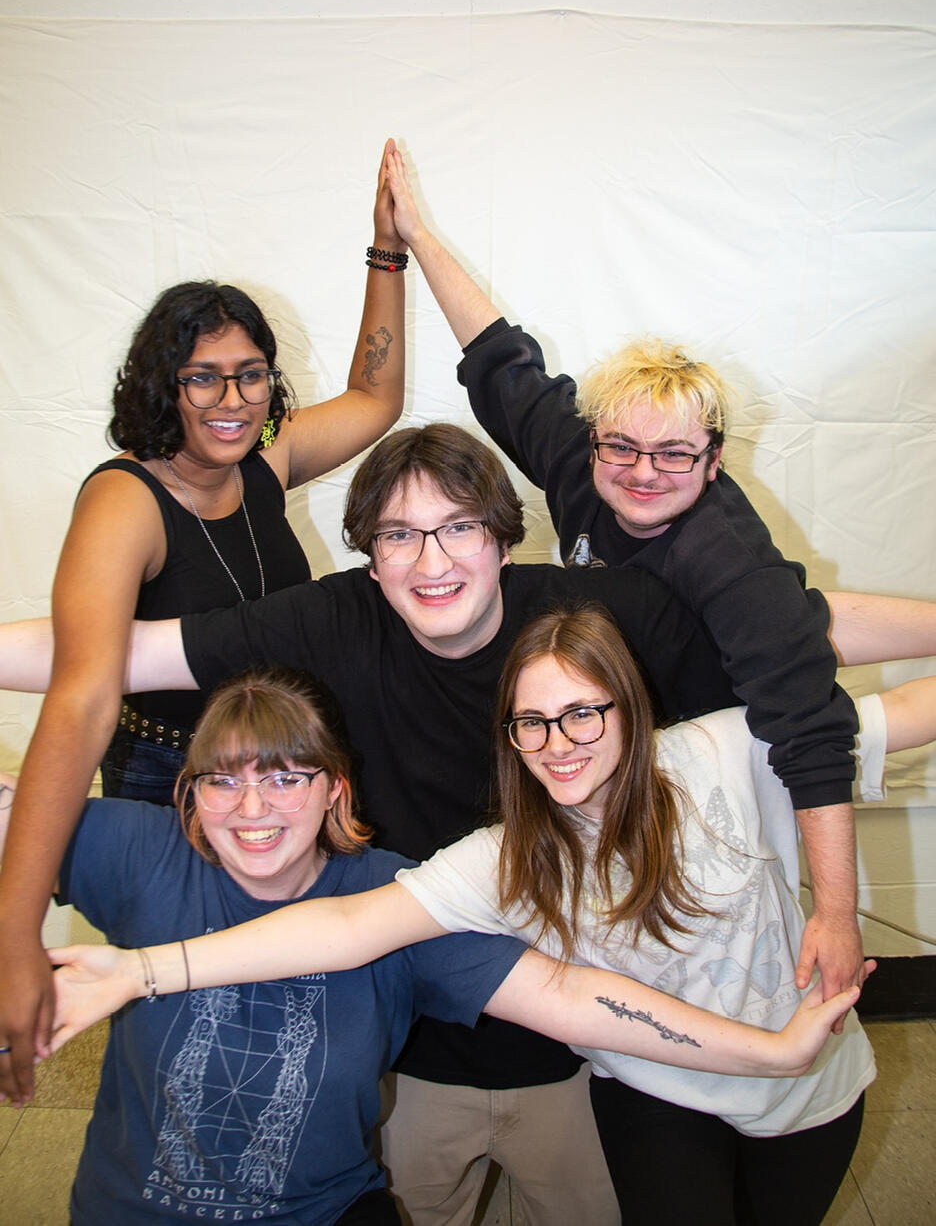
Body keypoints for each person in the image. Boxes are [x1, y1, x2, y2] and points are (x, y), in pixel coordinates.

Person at [2, 429, 934, 1224]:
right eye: (400, 535)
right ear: (369, 553)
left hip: (585, 1057)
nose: (433, 559)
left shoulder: (631, 659)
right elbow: (111, 650)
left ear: (501, 538)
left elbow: (788, 631)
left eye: (458, 527)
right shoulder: (478, 833)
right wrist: (136, 969)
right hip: (456, 1049)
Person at [0, 670, 857, 1226]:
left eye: (285, 775)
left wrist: (771, 1051)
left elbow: (569, 994)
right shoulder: (140, 850)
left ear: (335, 788)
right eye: (222, 777)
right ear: (190, 794)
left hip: (322, 1213)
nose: (250, 807)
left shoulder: (399, 895)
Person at [378, 142, 865, 1003]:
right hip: (672, 677)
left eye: (674, 454)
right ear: (597, 436)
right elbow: (499, 362)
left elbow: (813, 739)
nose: (643, 473)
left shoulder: (725, 560)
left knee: (841, 675)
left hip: (724, 735)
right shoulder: (585, 459)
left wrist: (837, 913)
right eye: (624, 447)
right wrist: (414, 234)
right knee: (817, 615)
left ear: (714, 461)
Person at [0, 139, 407, 1121]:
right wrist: (15, 936)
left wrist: (383, 254)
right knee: (202, 1012)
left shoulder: (260, 465)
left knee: (292, 999)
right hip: (173, 781)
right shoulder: (125, 501)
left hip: (282, 772)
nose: (233, 402)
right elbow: (84, 697)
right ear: (163, 385)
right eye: (205, 378)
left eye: (252, 376)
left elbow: (377, 398)